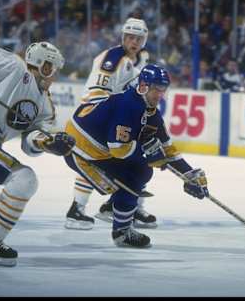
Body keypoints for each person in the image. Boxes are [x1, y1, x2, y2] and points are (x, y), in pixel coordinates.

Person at [62, 64, 209, 247]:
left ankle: (114, 206)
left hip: (98, 149)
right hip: (80, 149)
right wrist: (148, 156)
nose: (160, 94)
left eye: (163, 89)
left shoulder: (151, 112)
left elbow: (167, 149)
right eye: (156, 89)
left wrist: (189, 174)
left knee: (141, 172)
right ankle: (122, 231)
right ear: (143, 86)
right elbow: (118, 148)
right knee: (135, 175)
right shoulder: (128, 104)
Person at [0, 41, 74, 266]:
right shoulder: (15, 67)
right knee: (24, 179)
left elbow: (30, 142)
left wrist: (48, 143)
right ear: (40, 64)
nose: (54, 74)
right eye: (51, 66)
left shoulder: (45, 105)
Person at [64, 17, 155, 230]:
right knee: (99, 159)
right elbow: (97, 93)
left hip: (117, 116)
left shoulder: (141, 59)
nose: (133, 41)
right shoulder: (113, 59)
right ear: (123, 37)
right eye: (129, 37)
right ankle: (80, 209)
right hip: (98, 115)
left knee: (139, 156)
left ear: (144, 40)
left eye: (138, 38)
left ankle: (121, 206)